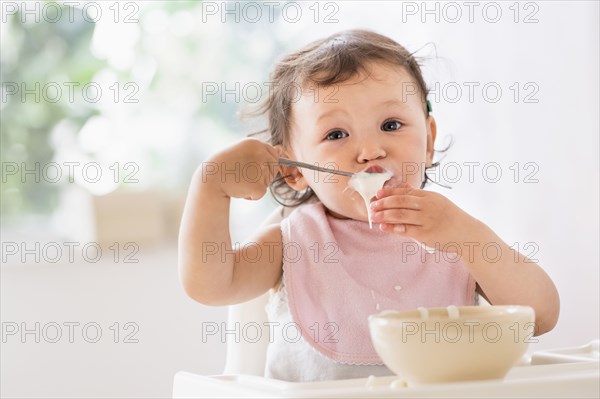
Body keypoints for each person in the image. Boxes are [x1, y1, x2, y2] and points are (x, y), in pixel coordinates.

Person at [178, 29, 560, 382]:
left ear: (428, 142)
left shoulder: (455, 236)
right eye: (336, 134)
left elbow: (539, 315)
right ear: (295, 171)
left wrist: (464, 235)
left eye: (391, 125)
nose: (370, 151)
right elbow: (211, 284)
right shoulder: (295, 242)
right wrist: (210, 187)